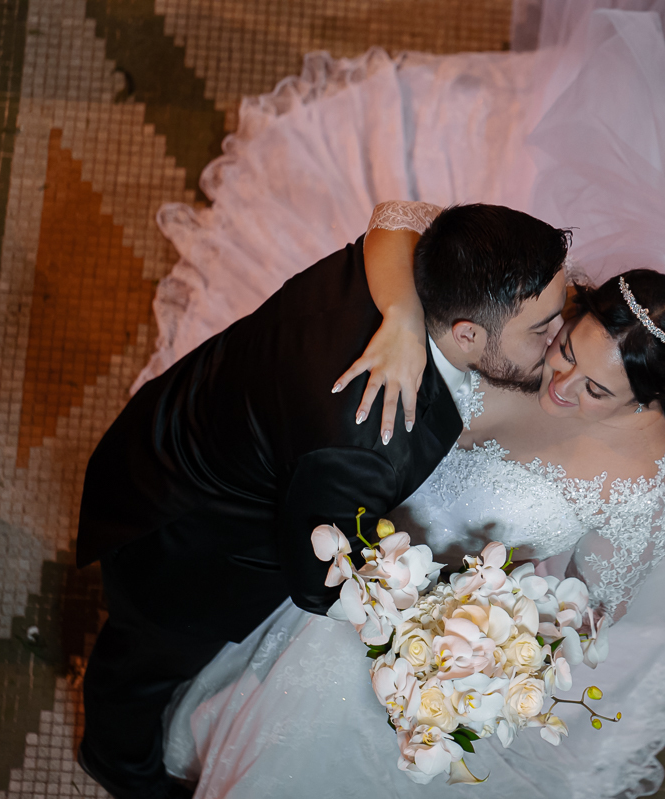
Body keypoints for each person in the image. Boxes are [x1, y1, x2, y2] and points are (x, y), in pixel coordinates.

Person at [142, 0, 665, 796]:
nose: (560, 382)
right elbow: (400, 218)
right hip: (354, 533)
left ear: (646, 404)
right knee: (306, 659)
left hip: (433, 619)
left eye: (596, 387)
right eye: (566, 348)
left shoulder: (641, 489)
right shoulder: (526, 324)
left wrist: (479, 635)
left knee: (341, 690)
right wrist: (400, 316)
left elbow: (585, 611)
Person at [74, 203, 570, 799]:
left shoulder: (421, 269)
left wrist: (403, 318)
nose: (557, 339)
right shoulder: (373, 435)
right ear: (466, 334)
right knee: (140, 667)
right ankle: (116, 763)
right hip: (187, 543)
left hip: (198, 417)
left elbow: (398, 216)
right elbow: (318, 579)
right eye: (541, 329)